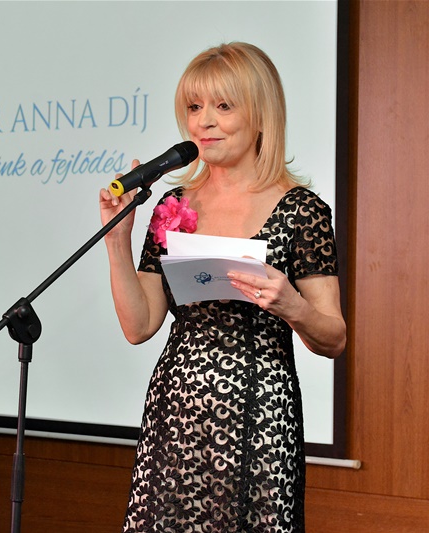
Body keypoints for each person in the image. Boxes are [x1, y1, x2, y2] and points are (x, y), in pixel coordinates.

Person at [99, 42, 346, 532]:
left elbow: (334, 338)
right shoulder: (173, 205)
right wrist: (116, 240)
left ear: (260, 116)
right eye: (194, 107)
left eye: (223, 106)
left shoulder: (302, 210)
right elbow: (139, 326)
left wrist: (292, 306)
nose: (204, 122)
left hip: (260, 418)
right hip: (177, 416)